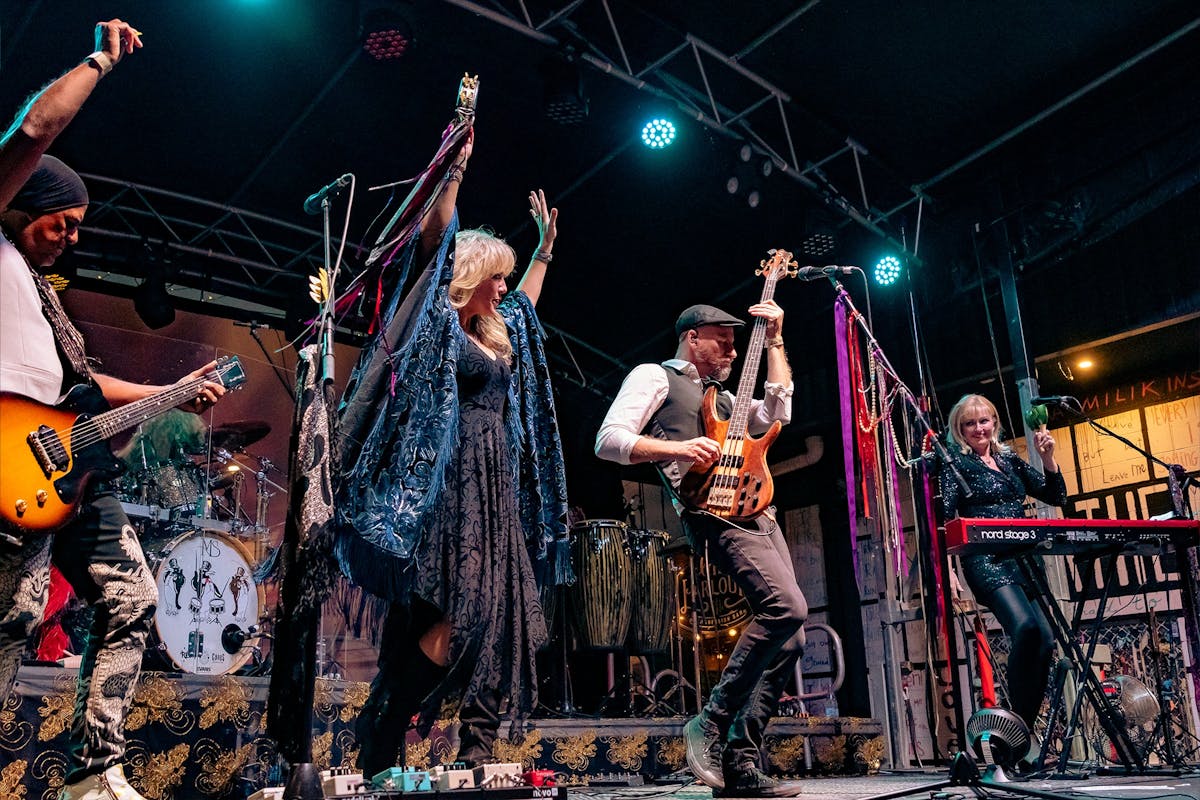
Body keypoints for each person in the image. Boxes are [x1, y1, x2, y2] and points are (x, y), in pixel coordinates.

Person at [0, 22, 229, 800]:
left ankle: (93, 773)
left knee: (134, 599)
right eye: (61, 221)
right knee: (15, 617)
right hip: (11, 473)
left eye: (79, 227)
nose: (71, 237)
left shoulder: (43, 296)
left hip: (71, 471)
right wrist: (100, 59)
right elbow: (35, 130)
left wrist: (177, 390)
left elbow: (87, 390)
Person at [336, 128, 569, 777]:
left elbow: (525, 307)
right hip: (450, 483)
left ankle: (478, 750)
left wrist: (544, 253)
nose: (503, 287)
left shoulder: (498, 330)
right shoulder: (440, 323)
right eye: (496, 276)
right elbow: (437, 244)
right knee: (457, 614)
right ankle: (386, 724)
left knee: (499, 617)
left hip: (495, 490)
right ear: (472, 276)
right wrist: (453, 174)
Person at [595, 302, 806, 797]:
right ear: (693, 337)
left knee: (793, 640)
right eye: (723, 341)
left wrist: (775, 340)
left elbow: (779, 409)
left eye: (735, 343)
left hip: (759, 511)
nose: (732, 350)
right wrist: (679, 449)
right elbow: (609, 440)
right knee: (787, 607)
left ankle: (740, 765)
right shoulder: (655, 376)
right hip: (712, 512)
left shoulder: (726, 398)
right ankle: (709, 721)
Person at [938, 394, 1066, 738]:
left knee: (1046, 641)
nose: (978, 428)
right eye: (969, 423)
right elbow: (943, 519)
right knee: (1025, 629)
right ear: (959, 429)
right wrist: (948, 569)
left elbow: (1056, 496)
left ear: (994, 422)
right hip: (986, 559)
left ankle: (1019, 732)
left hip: (1023, 559)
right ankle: (1012, 724)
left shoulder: (1008, 459)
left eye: (984, 421)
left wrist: (1047, 457)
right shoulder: (955, 464)